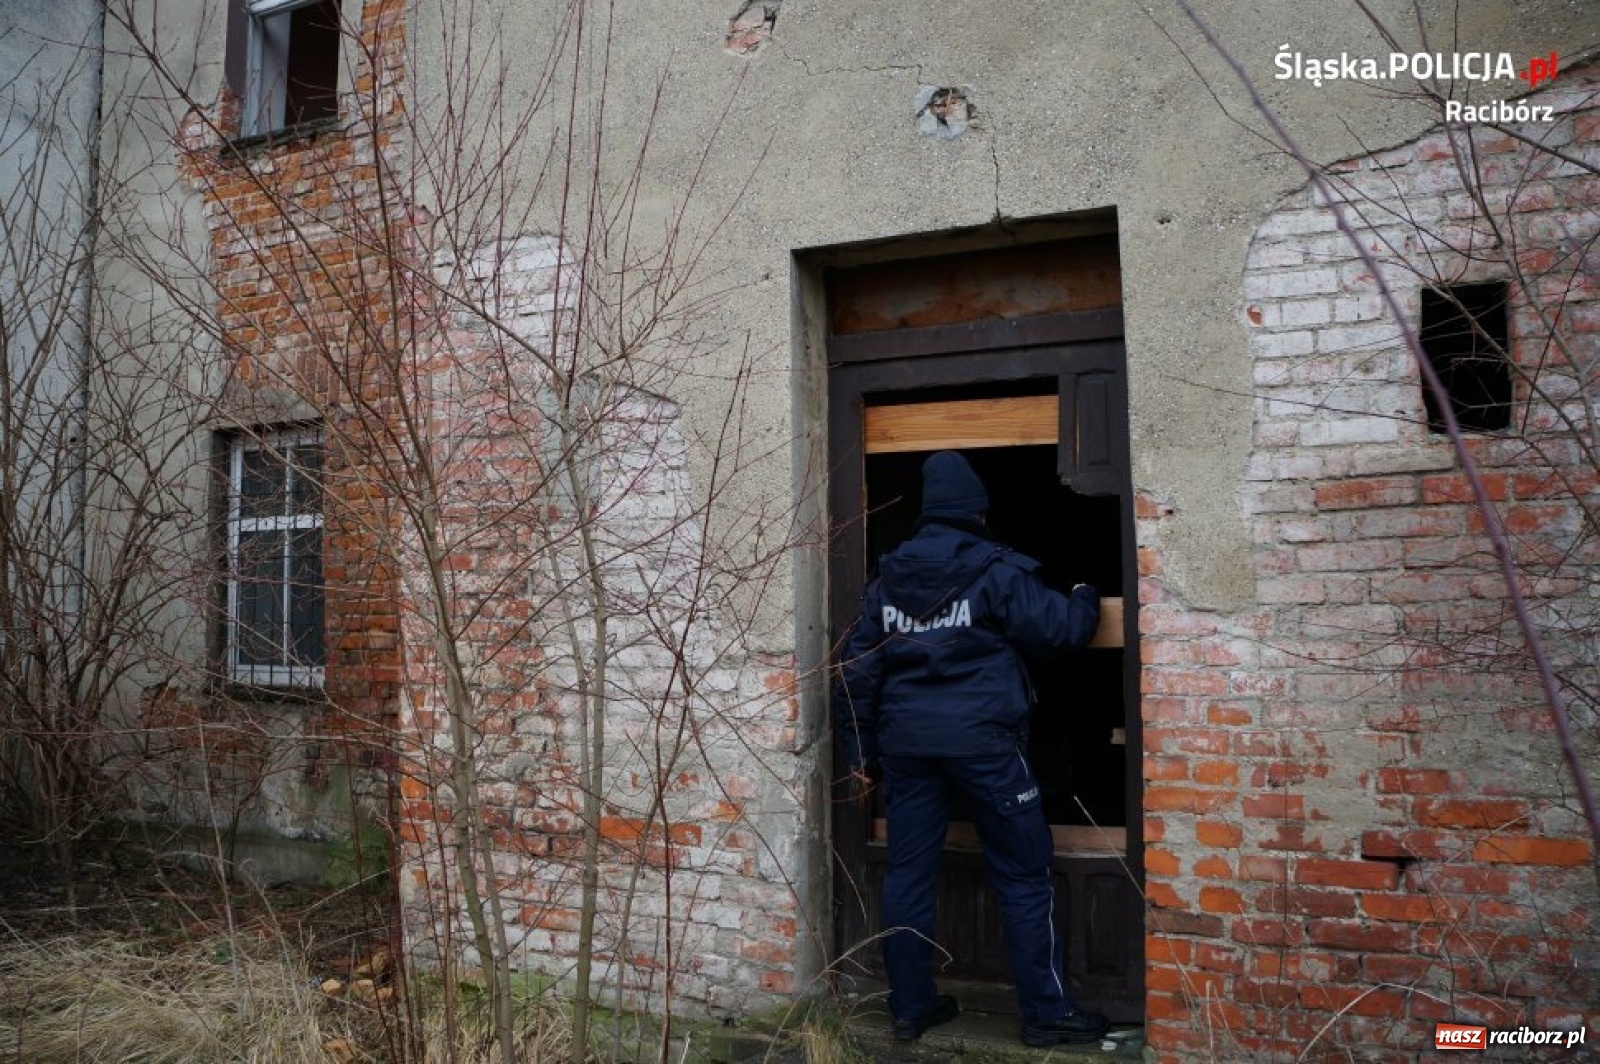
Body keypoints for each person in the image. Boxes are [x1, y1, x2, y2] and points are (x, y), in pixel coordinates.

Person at [833, 449, 1112, 1047]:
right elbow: (1060, 629)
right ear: (980, 512)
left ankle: (911, 1008)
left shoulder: (887, 581)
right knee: (1024, 873)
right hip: (985, 746)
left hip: (908, 748)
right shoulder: (995, 570)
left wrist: (860, 757)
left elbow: (855, 671)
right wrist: (1087, 595)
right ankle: (1046, 1014)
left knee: (907, 876)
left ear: (926, 514)